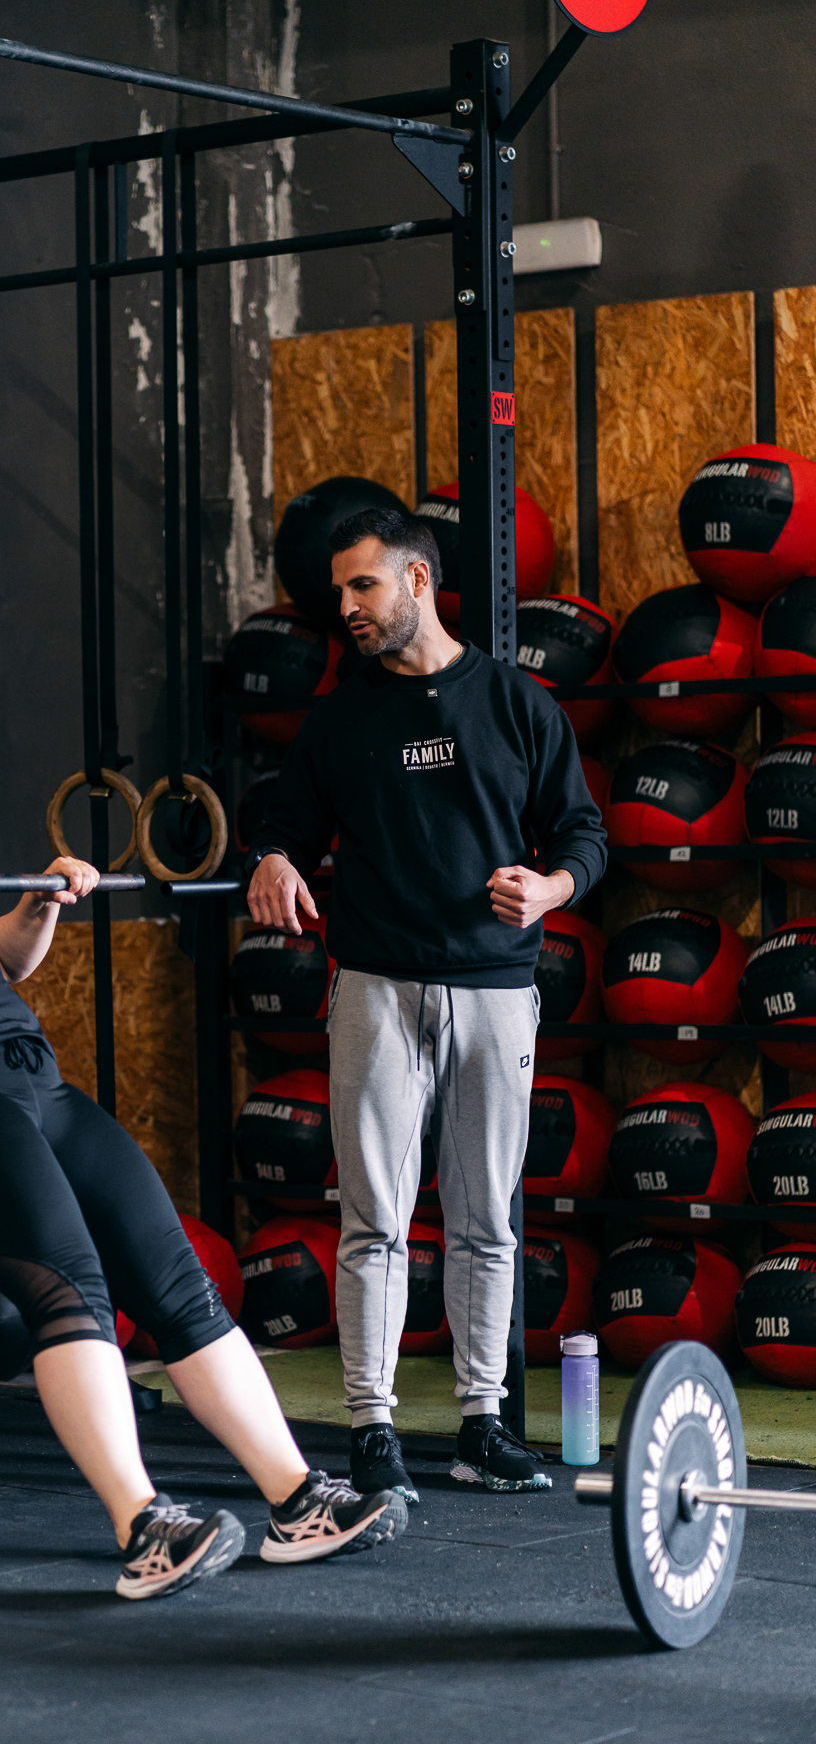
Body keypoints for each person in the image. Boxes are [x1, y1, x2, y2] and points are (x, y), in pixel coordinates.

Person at [0, 731, 407, 1599]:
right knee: (71, 1291)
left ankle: (298, 1501)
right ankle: (142, 1526)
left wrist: (43, 899)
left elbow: (4, 956)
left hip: (35, 1083)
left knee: (178, 1283)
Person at [247, 510, 607, 1500]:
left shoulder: (516, 703)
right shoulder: (339, 718)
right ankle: (372, 1429)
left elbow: (583, 834)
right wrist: (272, 857)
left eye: (362, 587)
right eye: (339, 592)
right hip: (376, 988)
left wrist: (549, 889)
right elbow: (283, 825)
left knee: (488, 1220)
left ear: (417, 581)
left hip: (496, 991)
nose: (346, 608)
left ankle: (482, 1423)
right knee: (375, 1222)